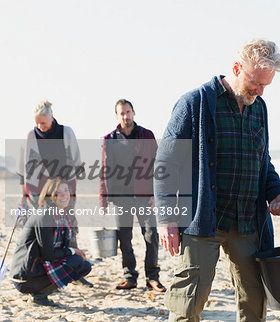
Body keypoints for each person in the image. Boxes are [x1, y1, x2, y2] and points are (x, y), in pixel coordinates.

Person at [154, 39, 280, 321]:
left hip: (248, 222)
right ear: (236, 68)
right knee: (188, 300)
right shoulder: (194, 103)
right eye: (255, 82)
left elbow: (262, 160)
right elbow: (165, 163)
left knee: (255, 299)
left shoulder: (259, 108)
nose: (260, 91)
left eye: (266, 85)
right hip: (204, 220)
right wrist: (167, 219)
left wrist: (276, 192)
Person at [17, 100, 93, 288]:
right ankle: (42, 268)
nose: (39, 126)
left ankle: (75, 267)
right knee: (44, 229)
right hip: (38, 192)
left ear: (52, 117)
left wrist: (70, 189)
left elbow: (76, 161)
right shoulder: (31, 136)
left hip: (63, 190)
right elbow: (24, 169)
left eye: (43, 122)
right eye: (37, 123)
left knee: (68, 226)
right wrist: (23, 196)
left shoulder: (66, 132)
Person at [100, 99, 165, 292]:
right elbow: (105, 169)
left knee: (151, 236)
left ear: (134, 112)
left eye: (128, 112)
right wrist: (103, 197)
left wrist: (157, 193)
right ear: (117, 116)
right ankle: (130, 277)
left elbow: (158, 165)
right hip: (121, 197)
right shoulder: (109, 139)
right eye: (122, 113)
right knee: (124, 238)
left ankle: (153, 278)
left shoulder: (147, 135)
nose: (126, 116)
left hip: (145, 196)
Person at [10, 177, 92, 306]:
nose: (64, 195)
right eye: (59, 192)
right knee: (77, 262)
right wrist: (73, 251)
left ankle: (41, 292)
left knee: (83, 264)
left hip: (37, 268)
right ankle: (40, 296)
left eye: (66, 190)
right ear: (50, 196)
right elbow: (49, 255)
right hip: (25, 277)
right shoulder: (44, 216)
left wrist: (73, 251)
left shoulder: (61, 215)